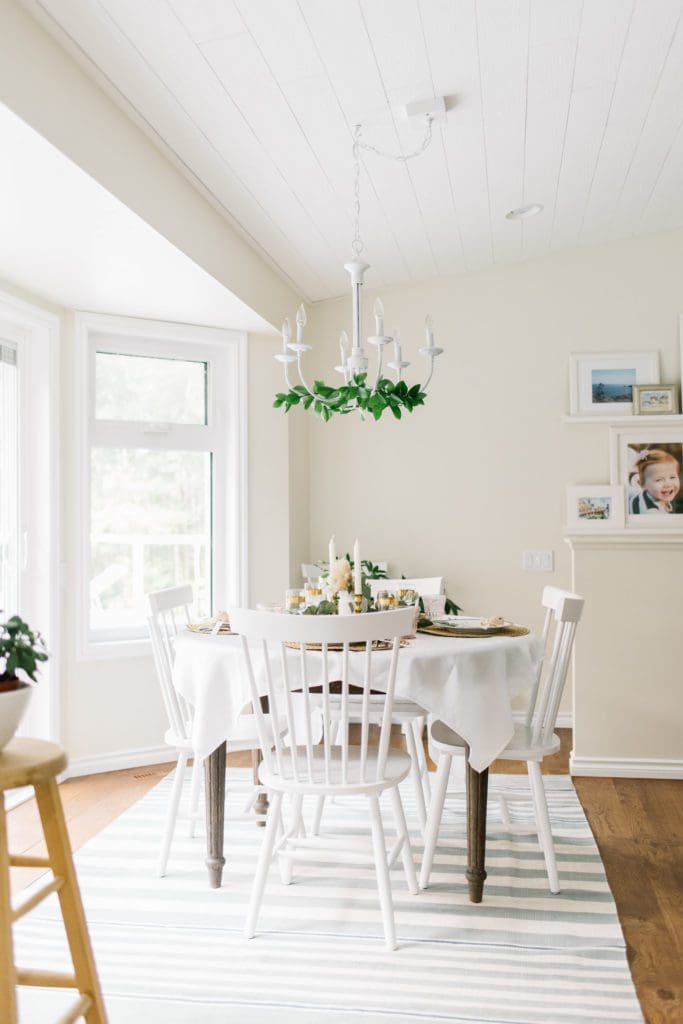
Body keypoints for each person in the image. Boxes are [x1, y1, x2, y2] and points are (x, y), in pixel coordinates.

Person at [630, 448, 681, 513]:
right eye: (659, 480)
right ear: (642, 484)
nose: (668, 484)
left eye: (672, 477)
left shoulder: (655, 495)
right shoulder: (652, 512)